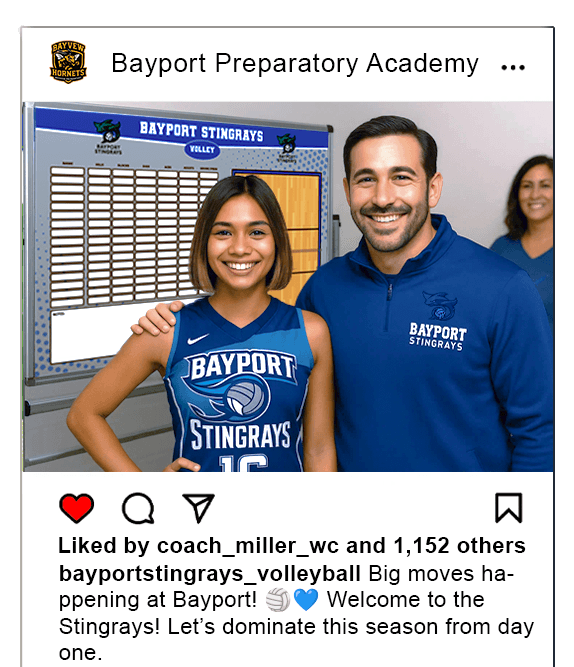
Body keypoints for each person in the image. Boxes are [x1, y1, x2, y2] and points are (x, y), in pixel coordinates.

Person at [132, 116, 553, 472]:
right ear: (350, 189)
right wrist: (173, 323)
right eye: (367, 180)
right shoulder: (323, 290)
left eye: (401, 177)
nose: (382, 197)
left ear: (433, 187)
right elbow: (274, 385)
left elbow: (539, 432)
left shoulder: (503, 288)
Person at [67, 175, 336, 472]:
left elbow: (319, 449)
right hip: (196, 513)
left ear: (277, 241)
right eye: (223, 232)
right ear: (204, 242)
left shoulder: (310, 332)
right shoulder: (167, 330)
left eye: (257, 232)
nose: (239, 248)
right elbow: (83, 415)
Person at [490, 156, 553, 332]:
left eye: (545, 185)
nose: (534, 195)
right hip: (506, 358)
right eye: (527, 186)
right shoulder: (501, 248)